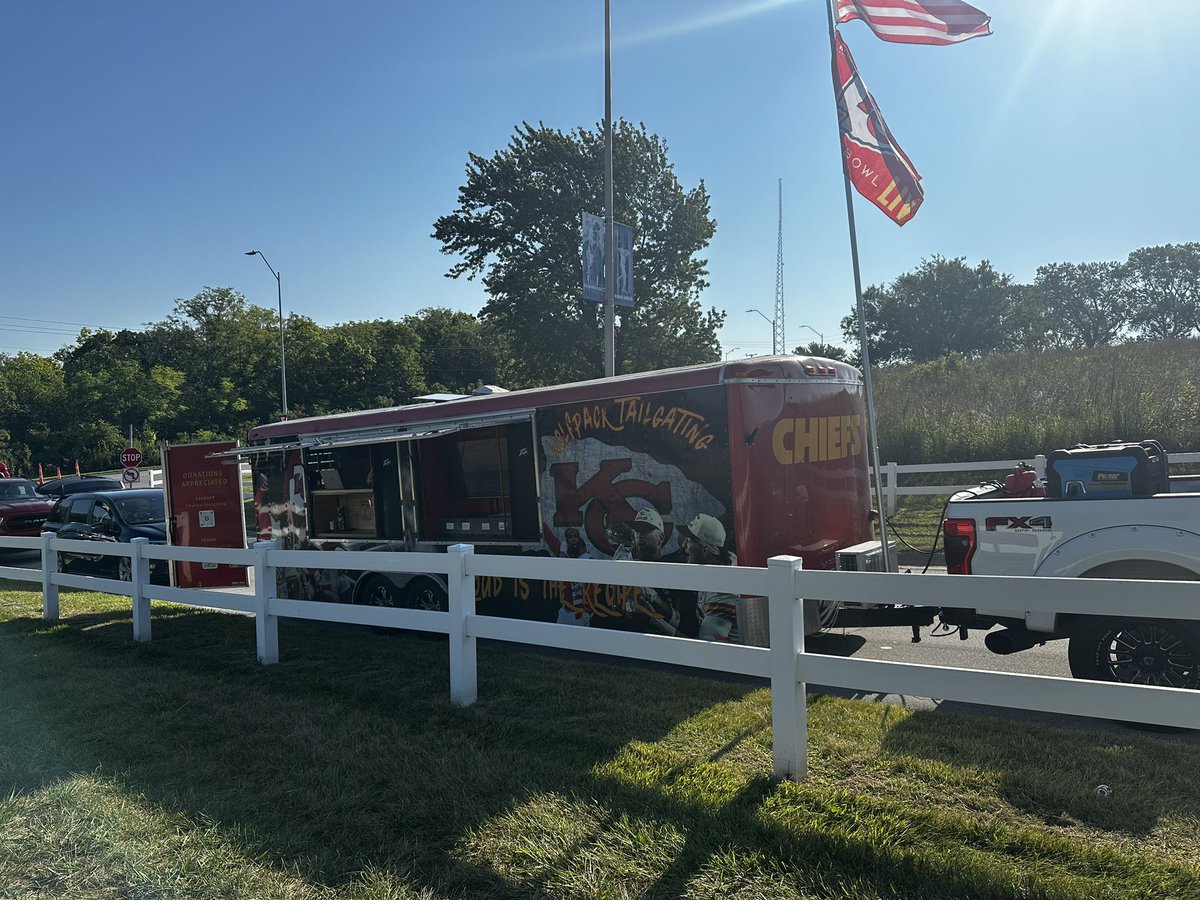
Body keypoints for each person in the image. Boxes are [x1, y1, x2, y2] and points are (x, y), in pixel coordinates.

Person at [679, 513, 740, 643]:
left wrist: (661, 625)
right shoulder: (718, 568)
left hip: (729, 660)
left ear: (705, 550)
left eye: (689, 540)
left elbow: (709, 647)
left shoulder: (723, 590)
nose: (684, 545)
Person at [555, 526, 592, 626]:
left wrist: (588, 610)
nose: (574, 539)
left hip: (580, 611)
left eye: (576, 536)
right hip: (565, 609)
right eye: (570, 537)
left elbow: (591, 587)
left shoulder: (587, 558)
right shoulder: (564, 556)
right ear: (567, 540)